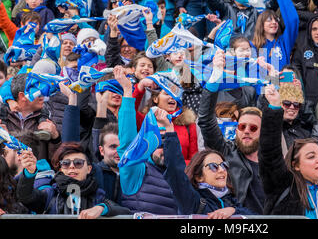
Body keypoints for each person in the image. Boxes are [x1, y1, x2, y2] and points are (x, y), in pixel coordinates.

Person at [259, 84, 318, 218]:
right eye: (311, 156)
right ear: (296, 165)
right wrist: (275, 106)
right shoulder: (284, 187)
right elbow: (270, 153)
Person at [197, 50, 265, 214]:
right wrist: (215, 76)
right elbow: (206, 120)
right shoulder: (225, 153)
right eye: (242, 127)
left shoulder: (272, 160)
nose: (246, 131)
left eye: (253, 128)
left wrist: (269, 76)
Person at [161, 110, 255, 217]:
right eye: (213, 166)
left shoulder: (230, 200)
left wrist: (233, 210)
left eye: (224, 165)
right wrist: (169, 131)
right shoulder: (192, 200)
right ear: (199, 177)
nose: (221, 170)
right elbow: (175, 170)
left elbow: (254, 216)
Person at [114, 66, 179, 214]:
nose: (163, 148)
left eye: (166, 144)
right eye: (159, 143)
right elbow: (127, 141)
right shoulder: (136, 170)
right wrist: (127, 90)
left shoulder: (180, 176)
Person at [16, 142, 130, 218]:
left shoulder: (98, 196)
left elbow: (125, 212)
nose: (72, 166)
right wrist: (30, 173)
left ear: (89, 169)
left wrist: (102, 208)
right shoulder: (51, 194)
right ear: (61, 168)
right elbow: (26, 197)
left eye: (78, 163)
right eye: (66, 163)